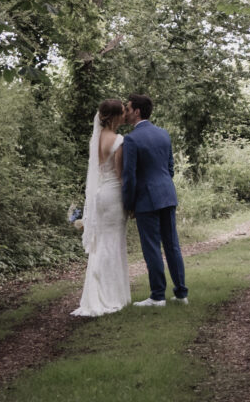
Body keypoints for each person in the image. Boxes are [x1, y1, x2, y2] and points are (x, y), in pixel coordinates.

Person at [121, 94, 188, 306]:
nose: (126, 112)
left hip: (146, 199)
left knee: (151, 246)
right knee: (172, 245)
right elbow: (170, 168)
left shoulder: (131, 139)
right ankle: (181, 293)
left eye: (129, 108)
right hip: (167, 194)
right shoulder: (163, 134)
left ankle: (158, 295)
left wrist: (128, 203)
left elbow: (129, 176)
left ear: (137, 111)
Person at [71, 98, 130, 317]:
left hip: (99, 195)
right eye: (123, 112)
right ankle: (111, 296)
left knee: (101, 244)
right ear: (114, 116)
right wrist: (130, 199)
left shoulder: (95, 139)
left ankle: (95, 294)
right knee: (112, 243)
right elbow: (120, 174)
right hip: (113, 194)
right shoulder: (117, 140)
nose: (125, 115)